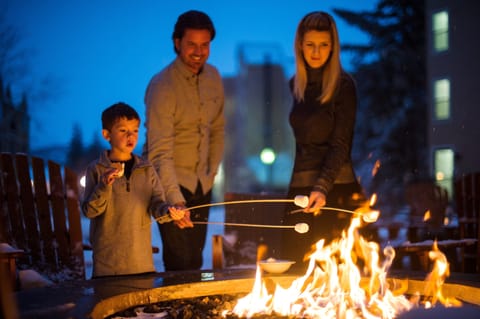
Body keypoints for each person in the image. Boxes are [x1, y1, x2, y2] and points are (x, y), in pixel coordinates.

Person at [143, 10, 225, 271]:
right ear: (177, 42)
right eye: (191, 44)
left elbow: (218, 129)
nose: (198, 52)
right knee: (179, 262)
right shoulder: (162, 86)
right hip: (172, 183)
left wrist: (211, 173)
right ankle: (176, 310)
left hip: (203, 184)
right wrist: (174, 199)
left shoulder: (214, 77)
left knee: (196, 260)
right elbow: (159, 151)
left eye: (205, 45)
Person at [281, 11, 365, 267]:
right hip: (299, 190)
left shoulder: (343, 85)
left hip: (335, 189)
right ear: (300, 46)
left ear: (333, 47)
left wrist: (322, 186)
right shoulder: (295, 85)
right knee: (296, 267)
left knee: (336, 273)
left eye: (324, 45)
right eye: (310, 45)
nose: (316, 52)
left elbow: (341, 144)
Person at [82, 102, 193, 278]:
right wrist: (104, 186)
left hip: (141, 264)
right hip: (108, 266)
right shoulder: (96, 169)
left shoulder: (146, 169)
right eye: (123, 130)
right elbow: (89, 211)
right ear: (106, 134)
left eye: (134, 130)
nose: (130, 136)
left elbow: (158, 205)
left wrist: (170, 212)